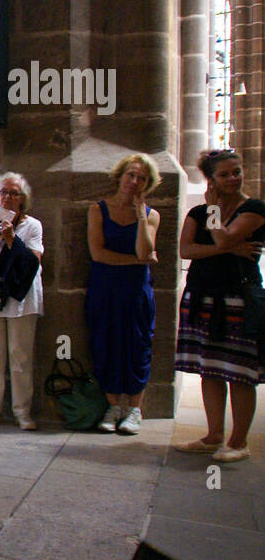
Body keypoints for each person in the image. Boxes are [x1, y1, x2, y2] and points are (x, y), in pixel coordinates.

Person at [173, 149, 265, 462]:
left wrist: (221, 235)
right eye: (225, 174)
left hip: (238, 298)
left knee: (239, 372)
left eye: (236, 171)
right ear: (211, 179)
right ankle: (213, 436)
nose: (233, 178)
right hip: (202, 296)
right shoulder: (198, 213)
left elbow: (223, 239)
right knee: (209, 369)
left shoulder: (254, 208)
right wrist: (226, 246)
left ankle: (238, 442)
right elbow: (186, 250)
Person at [85, 154, 161, 434]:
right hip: (105, 288)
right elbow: (98, 254)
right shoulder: (98, 210)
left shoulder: (152, 215)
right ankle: (113, 406)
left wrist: (141, 217)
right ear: (120, 176)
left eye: (141, 178)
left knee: (137, 346)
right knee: (105, 343)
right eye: (131, 175)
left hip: (135, 292)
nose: (134, 181)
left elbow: (144, 250)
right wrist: (137, 260)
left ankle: (135, 410)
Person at [0, 172, 44, 429]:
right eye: (3, 192)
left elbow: (33, 262)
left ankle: (22, 411)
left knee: (20, 356)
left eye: (14, 193)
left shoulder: (32, 226)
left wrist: (12, 238)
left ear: (22, 198)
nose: (7, 198)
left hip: (21, 297)